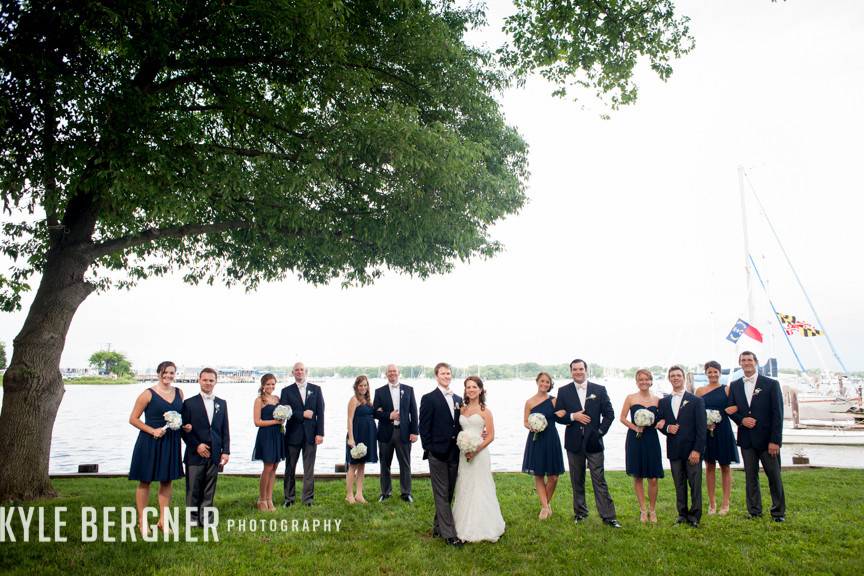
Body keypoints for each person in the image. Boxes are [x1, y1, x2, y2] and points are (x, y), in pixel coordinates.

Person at [554, 359, 621, 527]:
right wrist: (572, 416)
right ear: (571, 372)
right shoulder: (563, 391)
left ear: (586, 370)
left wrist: (599, 433)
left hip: (594, 442)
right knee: (577, 479)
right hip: (574, 443)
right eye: (575, 369)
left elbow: (609, 414)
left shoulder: (599, 390)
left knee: (599, 479)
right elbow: (558, 417)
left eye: (581, 369)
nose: (578, 372)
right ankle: (580, 513)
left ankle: (609, 516)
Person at [727, 350, 786, 522]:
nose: (746, 362)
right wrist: (741, 420)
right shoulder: (736, 385)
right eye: (743, 360)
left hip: (768, 440)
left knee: (774, 476)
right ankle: (754, 511)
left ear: (756, 362)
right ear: (740, 363)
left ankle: (778, 513)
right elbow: (730, 410)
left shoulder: (771, 384)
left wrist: (775, 441)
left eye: (749, 360)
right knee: (750, 477)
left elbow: (778, 414)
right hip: (747, 440)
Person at [128, 361, 184, 536]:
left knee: (166, 480)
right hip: (150, 442)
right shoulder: (147, 394)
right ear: (158, 373)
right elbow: (133, 419)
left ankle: (163, 520)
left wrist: (185, 426)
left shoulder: (179, 393)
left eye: (171, 373)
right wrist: (153, 430)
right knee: (145, 480)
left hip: (171, 441)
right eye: (164, 373)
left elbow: (181, 416)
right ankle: (142, 521)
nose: (168, 376)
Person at [451, 376, 505, 542]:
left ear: (480, 390)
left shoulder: (485, 411)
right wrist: (464, 446)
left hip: (479, 454)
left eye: (474, 387)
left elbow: (491, 436)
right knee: (464, 485)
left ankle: (484, 525)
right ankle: (462, 524)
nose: (471, 390)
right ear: (465, 390)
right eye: (468, 387)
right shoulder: (462, 409)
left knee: (480, 486)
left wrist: (475, 450)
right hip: (463, 453)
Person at [419, 362, 463, 546]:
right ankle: (449, 535)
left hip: (455, 452)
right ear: (436, 376)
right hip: (436, 454)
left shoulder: (459, 399)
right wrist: (430, 448)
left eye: (448, 373)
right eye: (443, 373)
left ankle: (438, 527)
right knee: (441, 492)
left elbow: (461, 424)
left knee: (449, 492)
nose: (446, 376)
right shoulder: (429, 398)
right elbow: (424, 427)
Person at [657, 365, 706, 527]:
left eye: (678, 375)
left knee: (695, 484)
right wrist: (666, 428)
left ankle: (695, 516)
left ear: (683, 378)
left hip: (692, 450)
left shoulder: (696, 401)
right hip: (674, 450)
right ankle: (682, 514)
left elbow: (701, 429)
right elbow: (661, 423)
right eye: (672, 376)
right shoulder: (663, 402)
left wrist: (697, 450)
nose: (675, 378)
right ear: (669, 379)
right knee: (679, 484)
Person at [181, 367, 230, 527]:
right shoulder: (188, 403)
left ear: (216, 382)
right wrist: (196, 445)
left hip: (215, 452)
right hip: (195, 453)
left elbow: (224, 428)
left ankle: (206, 518)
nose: (208, 383)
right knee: (193, 487)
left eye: (211, 380)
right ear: (199, 380)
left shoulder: (221, 403)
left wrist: (226, 451)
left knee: (210, 487)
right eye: (205, 380)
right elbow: (184, 429)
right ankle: (192, 519)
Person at [619, 369, 663, 524]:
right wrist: (635, 427)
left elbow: (662, 418)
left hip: (651, 438)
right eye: (640, 379)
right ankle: (643, 510)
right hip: (635, 439)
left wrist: (661, 422)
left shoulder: (658, 400)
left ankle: (653, 509)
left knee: (653, 478)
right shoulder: (630, 398)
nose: (644, 382)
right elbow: (622, 418)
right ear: (637, 382)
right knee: (637, 475)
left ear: (651, 381)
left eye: (646, 379)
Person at [695, 360, 739, 515]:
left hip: (724, 430)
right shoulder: (700, 391)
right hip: (707, 432)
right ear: (706, 373)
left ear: (720, 373)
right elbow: (697, 412)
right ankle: (712, 503)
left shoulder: (727, 389)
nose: (713, 374)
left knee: (725, 466)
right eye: (709, 372)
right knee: (709, 466)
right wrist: (705, 424)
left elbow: (733, 408)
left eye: (715, 372)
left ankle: (725, 503)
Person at [280, 362, 324, 507]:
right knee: (290, 468)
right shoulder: (286, 391)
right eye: (296, 370)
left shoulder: (316, 389)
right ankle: (289, 498)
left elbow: (321, 413)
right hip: (293, 434)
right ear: (293, 373)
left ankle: (308, 499)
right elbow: (285, 413)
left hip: (311, 435)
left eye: (301, 370)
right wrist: (301, 414)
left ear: (306, 372)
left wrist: (320, 433)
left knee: (309, 468)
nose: (299, 372)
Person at [521, 372, 565, 520]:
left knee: (554, 477)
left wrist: (562, 413)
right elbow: (525, 422)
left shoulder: (554, 401)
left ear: (550, 384)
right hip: (536, 439)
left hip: (551, 438)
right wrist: (531, 427)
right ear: (537, 382)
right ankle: (545, 507)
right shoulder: (529, 402)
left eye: (547, 382)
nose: (544, 384)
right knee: (539, 474)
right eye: (542, 381)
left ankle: (545, 504)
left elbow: (563, 415)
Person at [373, 364, 418, 503]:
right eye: (389, 372)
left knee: (405, 463)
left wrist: (415, 432)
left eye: (394, 371)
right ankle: (385, 492)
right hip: (385, 433)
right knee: (384, 464)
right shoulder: (379, 391)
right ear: (386, 374)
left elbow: (414, 412)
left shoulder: (408, 390)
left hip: (403, 432)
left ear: (399, 373)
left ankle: (406, 493)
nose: (392, 373)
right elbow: (375, 413)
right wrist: (389, 416)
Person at [252, 373, 284, 511]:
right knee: (268, 467)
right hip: (266, 435)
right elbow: (257, 422)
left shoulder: (277, 399)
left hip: (278, 434)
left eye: (273, 384)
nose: (271, 386)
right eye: (268, 384)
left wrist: (283, 419)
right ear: (263, 385)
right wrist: (275, 422)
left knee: (275, 467)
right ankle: (262, 499)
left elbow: (283, 414)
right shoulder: (260, 400)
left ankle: (270, 499)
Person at [345, 375, 379, 504]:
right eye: (361, 385)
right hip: (357, 435)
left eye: (365, 385)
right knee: (353, 465)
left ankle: (359, 494)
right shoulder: (354, 400)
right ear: (356, 387)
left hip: (368, 436)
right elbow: (349, 419)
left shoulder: (368, 400)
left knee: (362, 466)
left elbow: (373, 414)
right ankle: (349, 495)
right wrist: (351, 438)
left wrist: (378, 410)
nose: (363, 388)